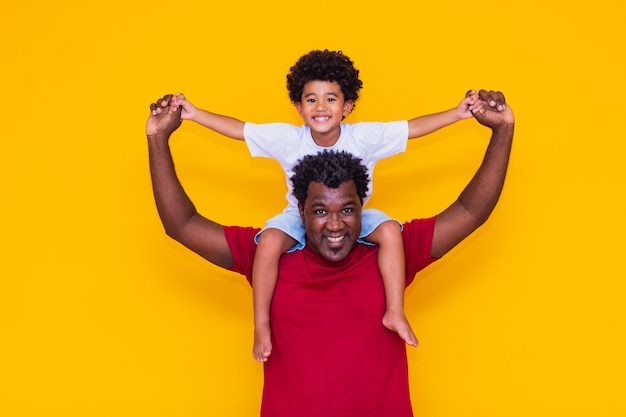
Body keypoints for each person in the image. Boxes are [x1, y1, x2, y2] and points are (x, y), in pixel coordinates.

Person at [146, 89, 514, 417]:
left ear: (362, 207)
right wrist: (158, 138)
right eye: (320, 211)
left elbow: (469, 211)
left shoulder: (392, 250)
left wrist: (502, 130)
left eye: (348, 209)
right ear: (301, 211)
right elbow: (183, 224)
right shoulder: (269, 256)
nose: (335, 224)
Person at [165, 49, 485, 361]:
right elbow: (239, 130)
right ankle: (262, 324)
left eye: (331, 98)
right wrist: (195, 114)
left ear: (347, 106)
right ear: (299, 106)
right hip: (298, 216)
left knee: (389, 229)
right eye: (311, 99)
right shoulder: (288, 138)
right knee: (270, 241)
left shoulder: (364, 137)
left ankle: (395, 312)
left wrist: (457, 113)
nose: (321, 106)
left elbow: (412, 128)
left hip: (352, 216)